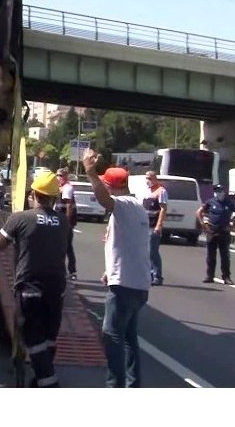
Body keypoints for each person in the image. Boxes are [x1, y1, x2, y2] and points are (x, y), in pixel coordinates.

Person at [0, 168, 70, 388]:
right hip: (57, 287)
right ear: (55, 198)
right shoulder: (63, 222)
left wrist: (6, 232)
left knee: (33, 335)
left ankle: (48, 380)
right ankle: (41, 376)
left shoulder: (21, 218)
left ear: (34, 195)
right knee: (49, 335)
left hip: (29, 286)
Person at [83, 150, 152, 388]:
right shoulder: (137, 207)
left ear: (111, 185)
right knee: (129, 339)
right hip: (138, 285)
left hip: (124, 287)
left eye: (104, 183)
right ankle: (133, 386)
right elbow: (131, 246)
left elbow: (104, 200)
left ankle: (115, 386)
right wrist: (109, 270)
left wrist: (91, 173)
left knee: (111, 336)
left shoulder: (121, 204)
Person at [198, 183, 235, 285]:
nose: (218, 193)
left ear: (223, 192)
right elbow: (199, 212)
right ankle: (210, 276)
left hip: (224, 232)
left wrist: (233, 226)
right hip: (212, 231)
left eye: (220, 191)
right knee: (211, 256)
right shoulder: (210, 202)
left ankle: (226, 277)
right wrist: (203, 224)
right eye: (216, 191)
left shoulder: (229, 203)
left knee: (225, 256)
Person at [140, 171, 168, 286]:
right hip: (144, 225)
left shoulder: (161, 191)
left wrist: (159, 225)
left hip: (153, 226)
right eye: (146, 178)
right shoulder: (147, 191)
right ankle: (149, 275)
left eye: (150, 178)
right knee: (146, 252)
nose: (148, 180)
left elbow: (163, 209)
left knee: (153, 252)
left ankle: (157, 276)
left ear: (155, 179)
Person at [55, 168, 78, 281]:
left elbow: (69, 206)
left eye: (60, 175)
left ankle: (71, 271)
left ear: (65, 176)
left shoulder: (67, 188)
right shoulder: (61, 187)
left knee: (66, 246)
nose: (58, 177)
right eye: (57, 175)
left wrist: (67, 223)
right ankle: (67, 271)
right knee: (63, 246)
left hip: (65, 222)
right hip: (60, 220)